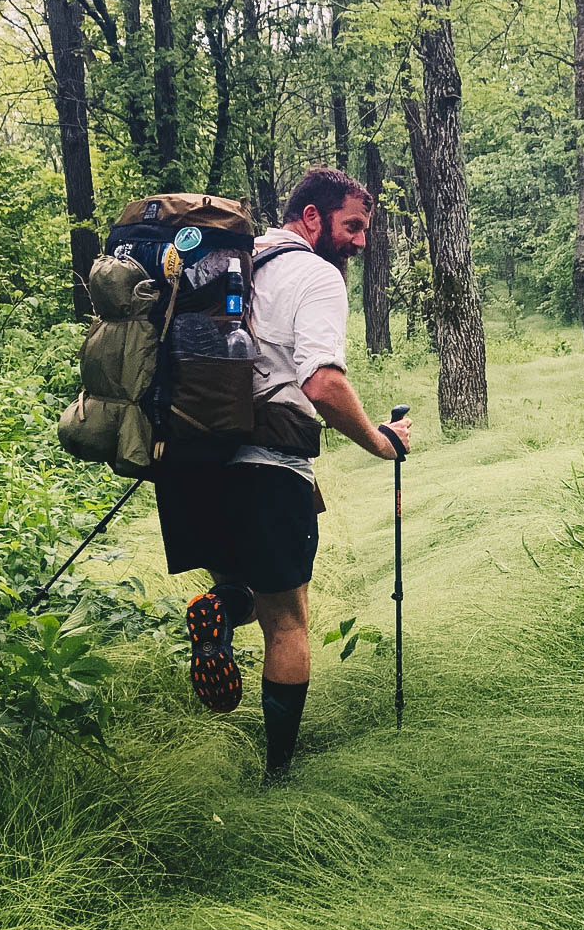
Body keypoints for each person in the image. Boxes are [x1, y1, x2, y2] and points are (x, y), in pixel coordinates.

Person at [156, 167, 411, 782]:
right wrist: (379, 441)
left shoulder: (230, 262)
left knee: (243, 588)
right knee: (288, 621)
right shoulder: (316, 275)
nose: (361, 242)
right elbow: (322, 383)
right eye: (353, 226)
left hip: (192, 464)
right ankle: (279, 774)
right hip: (269, 469)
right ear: (312, 217)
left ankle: (216, 610)